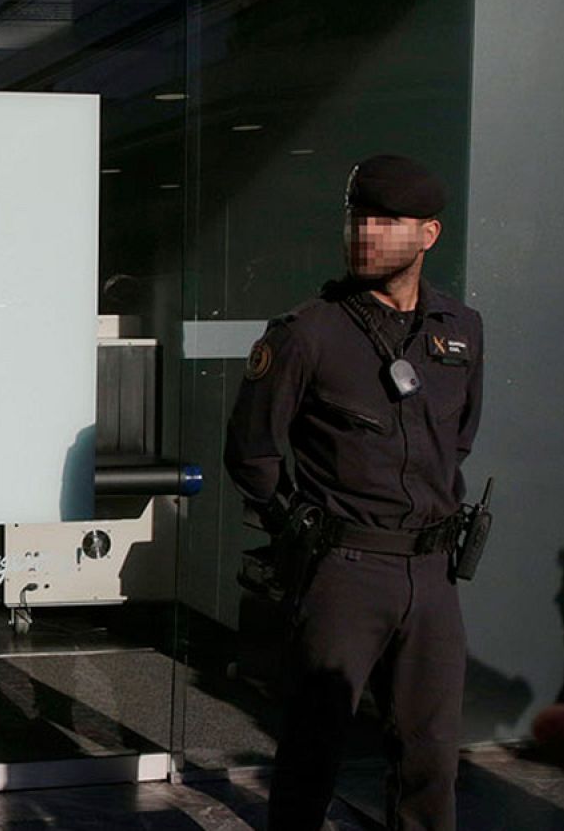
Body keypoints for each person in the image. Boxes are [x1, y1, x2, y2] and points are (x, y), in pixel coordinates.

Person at [225, 155, 484, 831]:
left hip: (432, 574)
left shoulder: (460, 330)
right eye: (357, 218)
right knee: (314, 751)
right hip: (345, 571)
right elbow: (251, 453)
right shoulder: (308, 331)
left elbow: (459, 440)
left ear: (428, 234)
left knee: (432, 757)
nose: (365, 233)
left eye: (386, 221)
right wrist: (304, 531)